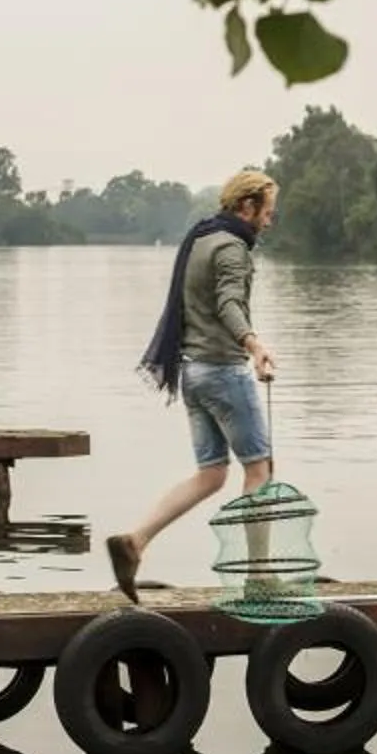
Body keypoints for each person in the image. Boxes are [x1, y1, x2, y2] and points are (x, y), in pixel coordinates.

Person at [113, 169, 277, 602]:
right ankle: (260, 578)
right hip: (223, 371)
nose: (269, 221)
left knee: (210, 475)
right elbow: (228, 303)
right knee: (259, 470)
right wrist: (254, 344)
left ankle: (137, 540)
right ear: (246, 207)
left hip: (193, 373)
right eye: (267, 212)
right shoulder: (232, 248)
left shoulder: (200, 240)